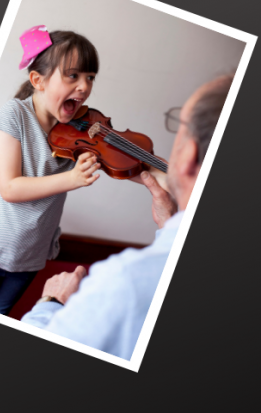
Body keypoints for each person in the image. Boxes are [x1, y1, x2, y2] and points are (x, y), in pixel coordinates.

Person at [21, 74, 233, 359]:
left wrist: (51, 301)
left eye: (180, 124)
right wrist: (169, 222)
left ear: (189, 156)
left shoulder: (125, 281)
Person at [0, 27, 102, 315]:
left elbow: (119, 158)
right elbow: (10, 188)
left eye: (90, 78)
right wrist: (72, 178)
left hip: (31, 253)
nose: (85, 87)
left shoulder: (79, 127)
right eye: (73, 75)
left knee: (0, 313)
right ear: (38, 80)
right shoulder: (14, 114)